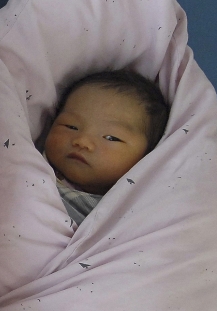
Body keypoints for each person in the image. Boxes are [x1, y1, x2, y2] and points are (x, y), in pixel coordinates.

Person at [40, 69, 169, 225]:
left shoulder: (130, 214)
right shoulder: (28, 163)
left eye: (111, 138)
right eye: (71, 126)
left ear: (147, 156)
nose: (82, 141)